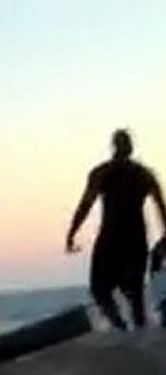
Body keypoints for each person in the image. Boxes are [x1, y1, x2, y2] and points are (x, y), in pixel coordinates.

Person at [67, 129, 166, 329]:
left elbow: (86, 204)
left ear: (114, 147)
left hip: (111, 238)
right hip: (135, 238)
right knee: (135, 293)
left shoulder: (102, 172)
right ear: (130, 148)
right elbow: (161, 209)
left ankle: (120, 326)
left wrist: (72, 232)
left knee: (100, 289)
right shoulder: (144, 175)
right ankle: (137, 330)